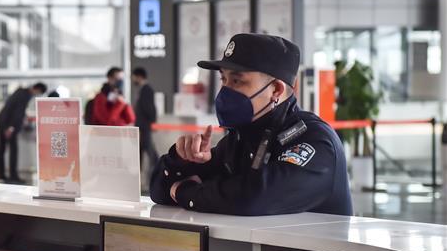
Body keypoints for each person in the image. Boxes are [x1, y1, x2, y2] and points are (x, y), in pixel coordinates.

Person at [150, 33, 352, 216]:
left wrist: (184, 192)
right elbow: (159, 192)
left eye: (237, 81)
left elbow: (253, 198)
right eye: (223, 79)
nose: (225, 91)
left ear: (276, 90)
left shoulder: (315, 140)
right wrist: (180, 160)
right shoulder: (239, 139)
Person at [0, 82, 47, 183]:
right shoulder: (25, 95)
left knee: (2, 149)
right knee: (12, 149)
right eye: (39, 93)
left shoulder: (21, 91)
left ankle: (2, 175)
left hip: (3, 121)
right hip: (7, 124)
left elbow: (14, 108)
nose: (37, 95)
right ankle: (13, 176)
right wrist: (10, 127)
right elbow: (17, 112)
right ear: (37, 89)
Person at [132, 67, 159, 172]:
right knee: (142, 149)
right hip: (141, 126)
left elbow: (149, 108)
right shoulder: (142, 89)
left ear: (139, 76)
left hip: (144, 126)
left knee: (149, 149)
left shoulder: (146, 89)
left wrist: (152, 123)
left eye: (134, 77)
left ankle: (158, 170)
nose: (133, 79)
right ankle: (140, 174)